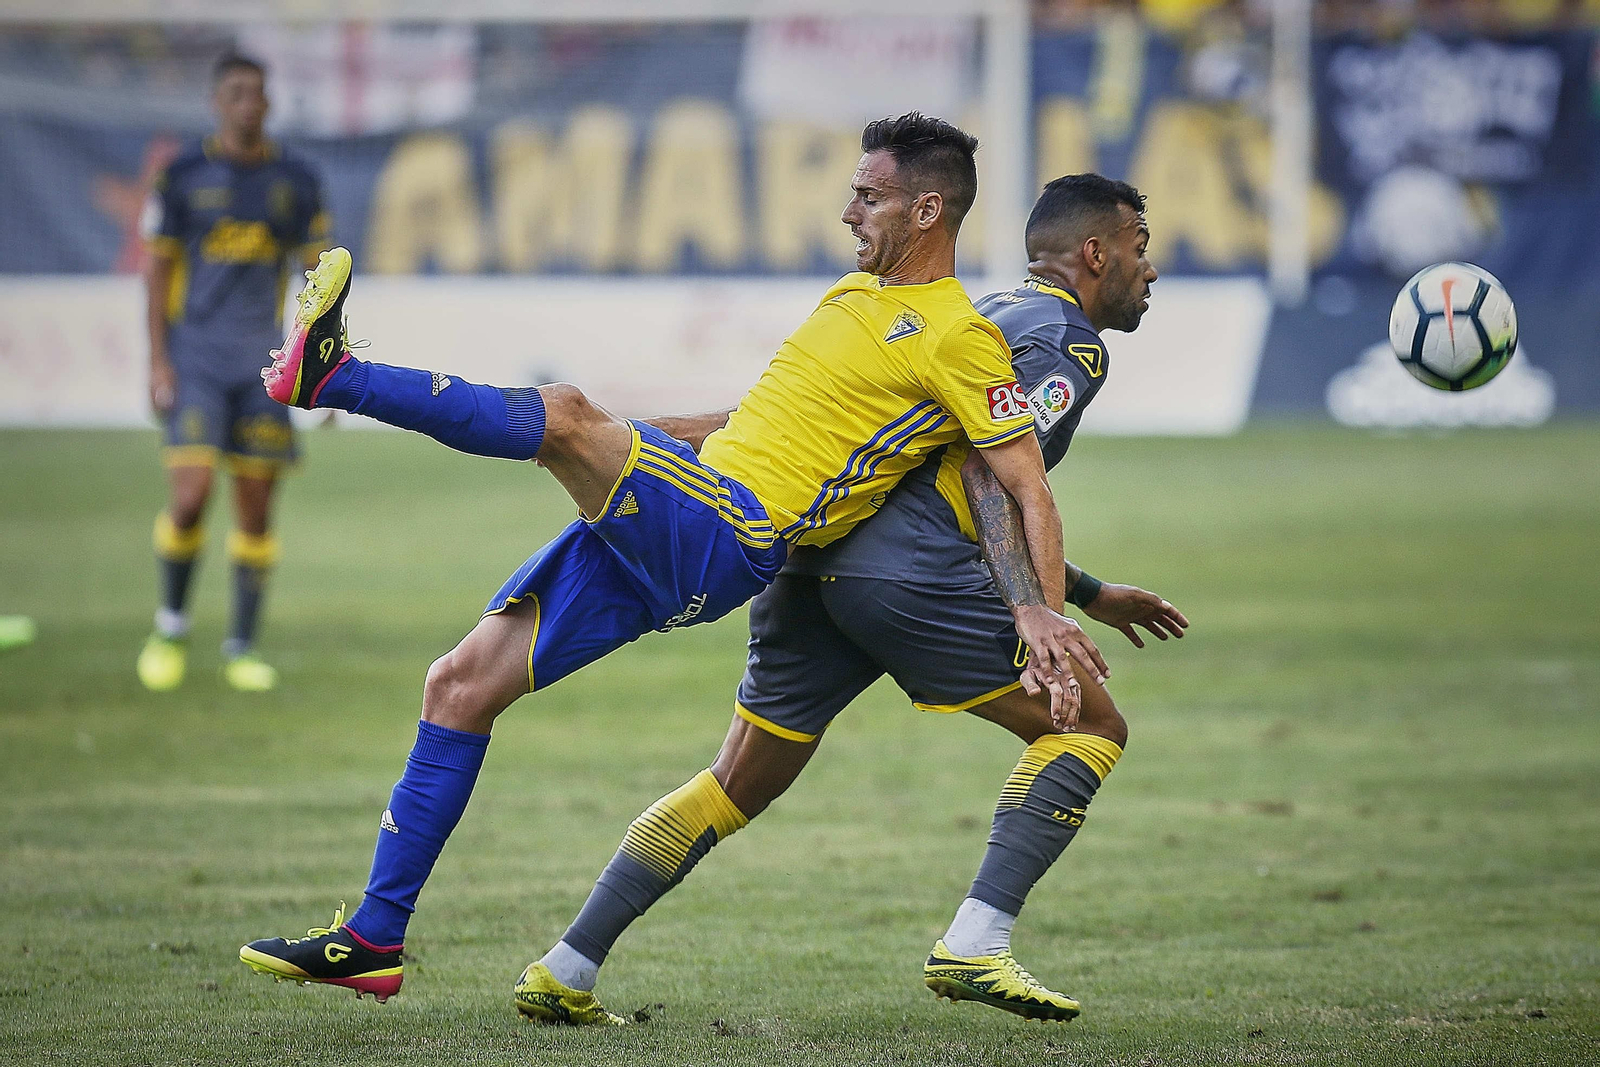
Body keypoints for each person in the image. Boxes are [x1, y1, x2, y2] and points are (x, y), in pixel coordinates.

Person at [238, 113, 1102, 1008]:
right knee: (458, 683)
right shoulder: (853, 301)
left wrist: (1045, 611)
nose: (849, 211)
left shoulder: (960, 333)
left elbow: (1024, 483)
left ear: (929, 209)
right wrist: (629, 443)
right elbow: (748, 420)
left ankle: (331, 376)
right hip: (687, 499)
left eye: (868, 195)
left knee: (563, 413)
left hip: (731, 533)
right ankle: (373, 937)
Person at [519, 174, 1183, 1026]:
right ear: (1096, 253)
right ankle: (976, 942)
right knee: (1091, 726)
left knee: (735, 781)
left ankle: (565, 964)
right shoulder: (1068, 342)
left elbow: (925, 461)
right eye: (1139, 247)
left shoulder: (986, 310)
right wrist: (1043, 612)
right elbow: (990, 479)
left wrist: (1087, 592)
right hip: (907, 575)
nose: (1149, 270)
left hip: (809, 559)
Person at [136, 53, 329, 694]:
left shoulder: (295, 181)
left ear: (269, 103)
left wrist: (323, 364)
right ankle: (169, 627)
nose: (248, 103)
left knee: (255, 508)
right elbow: (158, 269)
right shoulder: (183, 177)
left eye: (257, 93)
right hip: (196, 360)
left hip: (264, 366)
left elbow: (318, 276)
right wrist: (158, 360)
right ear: (218, 102)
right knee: (190, 499)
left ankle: (241, 647)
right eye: (235, 93)